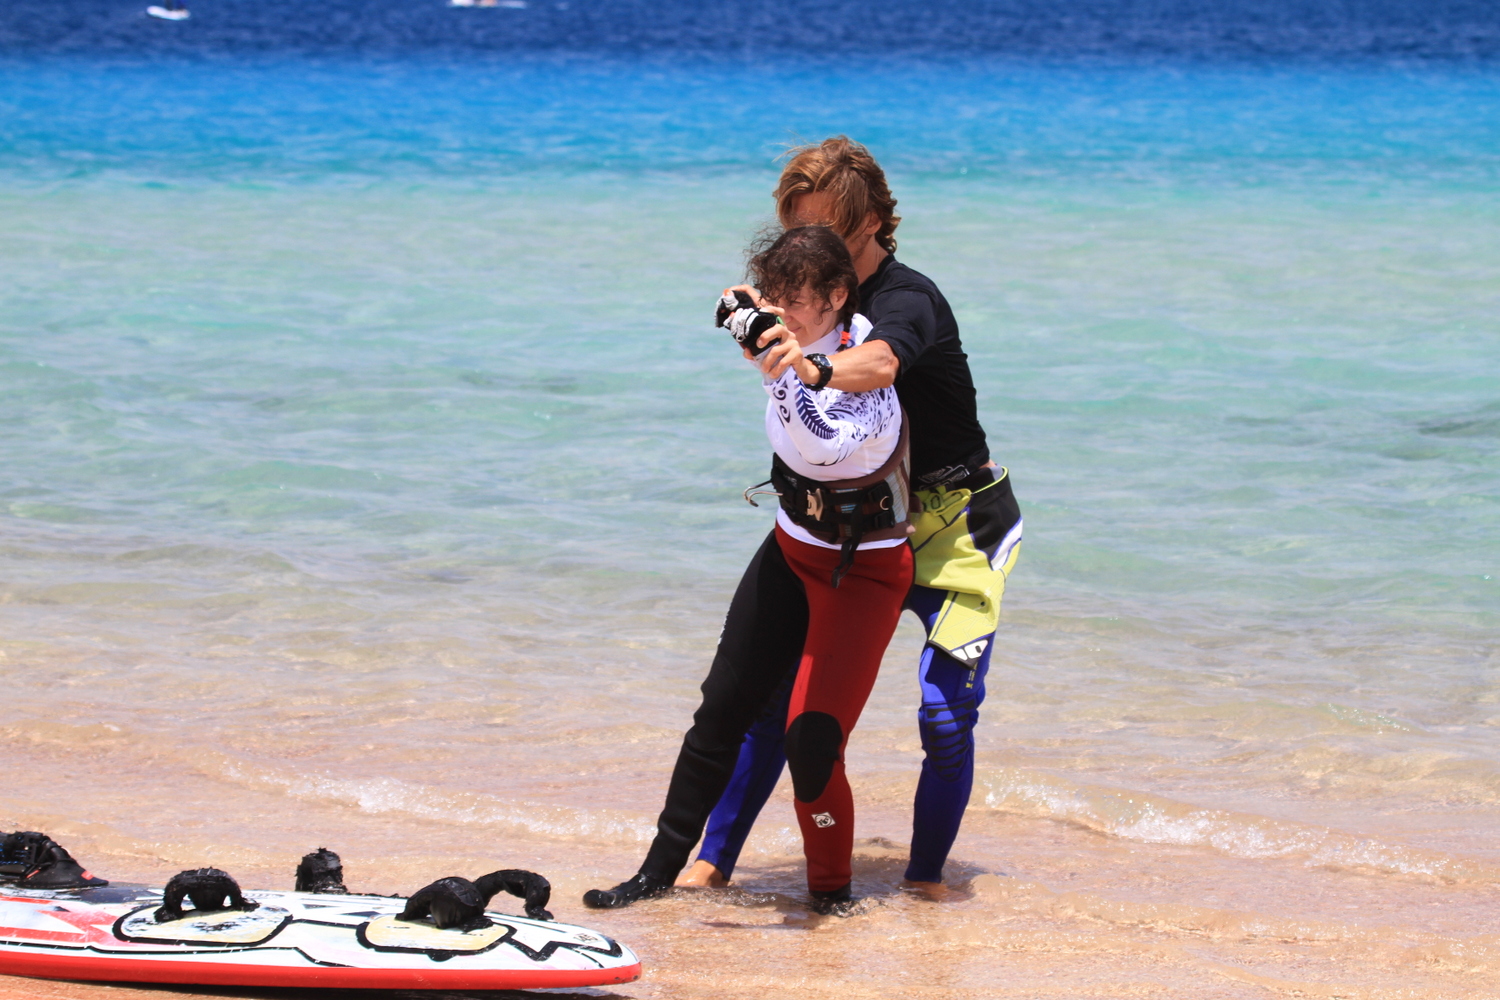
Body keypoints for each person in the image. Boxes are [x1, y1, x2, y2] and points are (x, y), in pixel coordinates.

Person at [675, 136, 1022, 895]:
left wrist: (810, 365)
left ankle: (926, 883)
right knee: (777, 702)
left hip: (955, 525)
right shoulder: (805, 295)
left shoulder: (906, 297)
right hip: (850, 533)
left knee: (946, 716)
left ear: (868, 225)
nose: (806, 245)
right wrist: (749, 317)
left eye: (823, 228)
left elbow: (884, 361)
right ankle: (711, 862)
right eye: (794, 227)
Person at [585, 226, 914, 914]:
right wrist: (742, 311)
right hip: (792, 550)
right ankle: (655, 874)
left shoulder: (862, 377)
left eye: (795, 300)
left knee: (811, 741)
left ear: (837, 295)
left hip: (863, 572)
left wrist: (785, 369)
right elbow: (747, 314)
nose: (779, 314)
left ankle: (831, 898)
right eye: (773, 297)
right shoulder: (788, 335)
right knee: (720, 712)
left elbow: (821, 447)